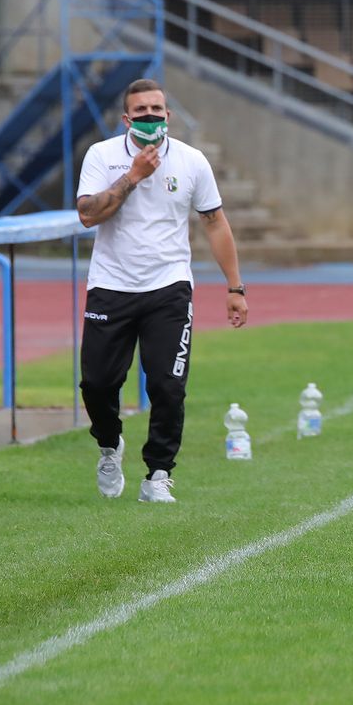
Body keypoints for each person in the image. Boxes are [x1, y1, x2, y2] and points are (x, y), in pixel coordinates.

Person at [76, 78, 248, 503]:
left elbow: (214, 222)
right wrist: (133, 177)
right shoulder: (102, 155)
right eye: (142, 111)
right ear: (126, 118)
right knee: (97, 384)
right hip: (111, 286)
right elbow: (87, 215)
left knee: (168, 387)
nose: (151, 117)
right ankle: (109, 443)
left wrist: (235, 286)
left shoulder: (192, 161)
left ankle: (157, 474)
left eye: (158, 110)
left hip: (168, 288)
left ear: (169, 115)